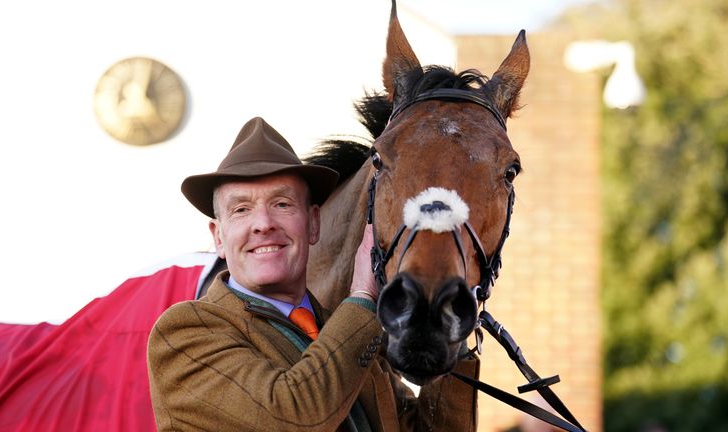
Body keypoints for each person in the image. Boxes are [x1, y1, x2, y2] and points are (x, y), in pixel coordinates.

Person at [147, 116, 480, 431]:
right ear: (219, 237)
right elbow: (293, 419)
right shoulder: (185, 333)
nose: (263, 224)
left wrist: (451, 318)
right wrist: (363, 295)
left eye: (282, 204)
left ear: (314, 224)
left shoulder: (349, 334)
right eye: (241, 209)